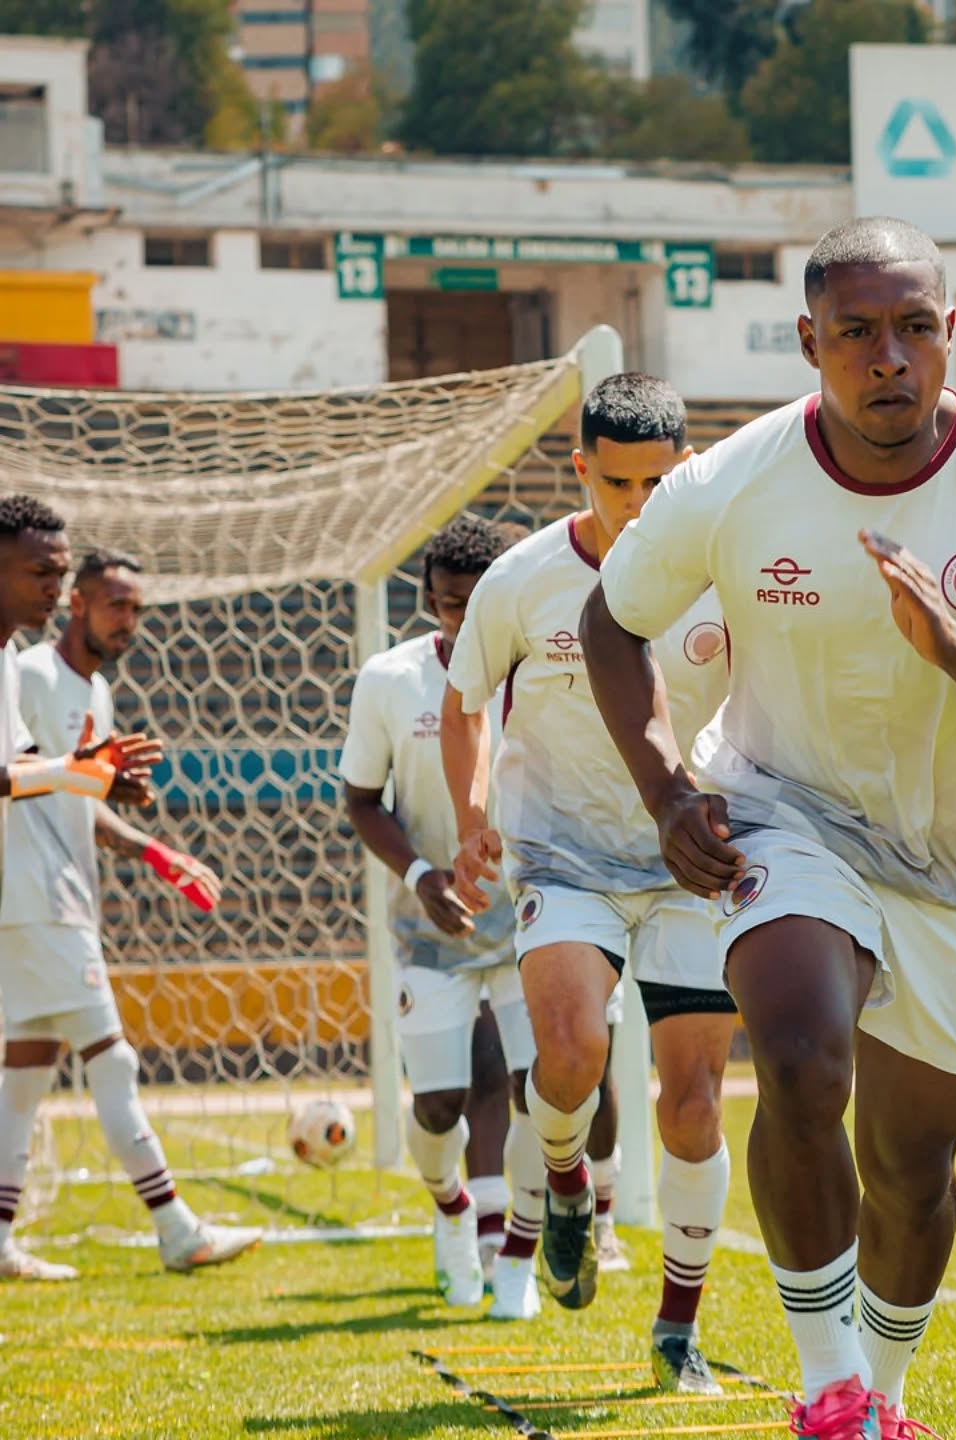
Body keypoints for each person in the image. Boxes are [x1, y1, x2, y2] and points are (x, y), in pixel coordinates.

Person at [579, 218, 956, 1438]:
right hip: (786, 808)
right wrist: (671, 790)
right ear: (810, 344)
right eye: (859, 334)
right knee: (796, 1053)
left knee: (914, 1173)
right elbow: (612, 623)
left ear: (951, 331)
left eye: (916, 328)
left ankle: (883, 1395)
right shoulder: (731, 482)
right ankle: (827, 1388)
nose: (892, 357)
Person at [443, 374, 736, 1395]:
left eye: (661, 483)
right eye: (619, 483)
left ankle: (677, 1325)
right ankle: (565, 1179)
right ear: (583, 471)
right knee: (568, 1058)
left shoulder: (724, 571)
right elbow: (466, 700)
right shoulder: (522, 578)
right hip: (564, 857)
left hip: (691, 863)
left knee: (694, 1105)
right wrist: (475, 816)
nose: (641, 506)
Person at [0, 532, 261, 1279]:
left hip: (49, 900)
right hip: (37, 897)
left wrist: (153, 848)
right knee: (113, 1063)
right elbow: (27, 775)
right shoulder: (30, 675)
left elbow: (75, 793)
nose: (127, 621)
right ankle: (177, 1228)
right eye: (115, 604)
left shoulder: (96, 691)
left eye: (137, 609)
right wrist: (94, 787)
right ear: (74, 602)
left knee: (25, 1076)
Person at [341, 514, 546, 1316]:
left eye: (477, 604)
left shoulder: (543, 669)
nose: (462, 622)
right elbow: (360, 799)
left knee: (548, 1091)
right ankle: (455, 1211)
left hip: (534, 921)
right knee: (438, 1106)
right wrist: (423, 874)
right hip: (430, 930)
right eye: (448, 605)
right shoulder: (390, 679)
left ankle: (520, 1254)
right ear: (428, 597)